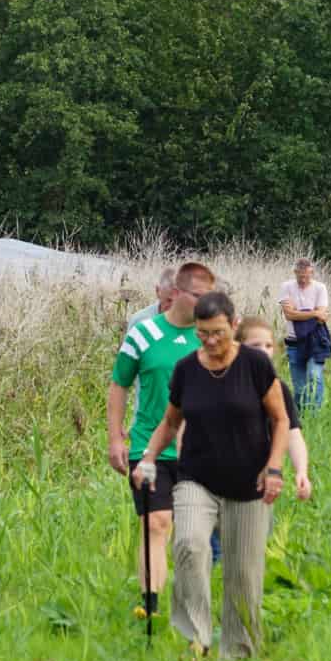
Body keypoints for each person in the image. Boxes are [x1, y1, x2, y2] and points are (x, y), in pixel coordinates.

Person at [133, 291, 289, 661]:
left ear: (234, 326)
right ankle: (197, 638)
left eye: (217, 332)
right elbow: (171, 422)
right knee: (188, 545)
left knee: (243, 574)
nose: (211, 341)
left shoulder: (254, 365)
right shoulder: (187, 369)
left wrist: (275, 468)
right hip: (196, 479)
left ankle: (238, 651)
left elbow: (281, 420)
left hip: (248, 484)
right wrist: (149, 459)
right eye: (203, 334)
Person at [106, 261, 216, 619]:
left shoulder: (211, 338)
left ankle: (192, 601)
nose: (204, 304)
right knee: (156, 523)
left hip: (199, 448)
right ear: (177, 294)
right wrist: (115, 438)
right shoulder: (142, 333)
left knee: (192, 535)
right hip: (147, 447)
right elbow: (119, 384)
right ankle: (150, 604)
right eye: (199, 296)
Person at [236, 317, 312, 500]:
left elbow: (293, 434)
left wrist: (301, 471)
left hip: (257, 480)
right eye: (255, 345)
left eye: (268, 346)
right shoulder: (224, 382)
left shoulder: (278, 388)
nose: (263, 351)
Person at [279, 258, 331, 414]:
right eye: (300, 276)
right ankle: (301, 417)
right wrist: (314, 312)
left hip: (315, 340)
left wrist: (298, 312)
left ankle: (315, 415)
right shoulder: (286, 287)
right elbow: (288, 315)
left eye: (307, 276)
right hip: (294, 341)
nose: (303, 280)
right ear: (295, 273)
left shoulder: (320, 288)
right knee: (299, 386)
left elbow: (322, 318)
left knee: (315, 377)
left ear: (312, 273)